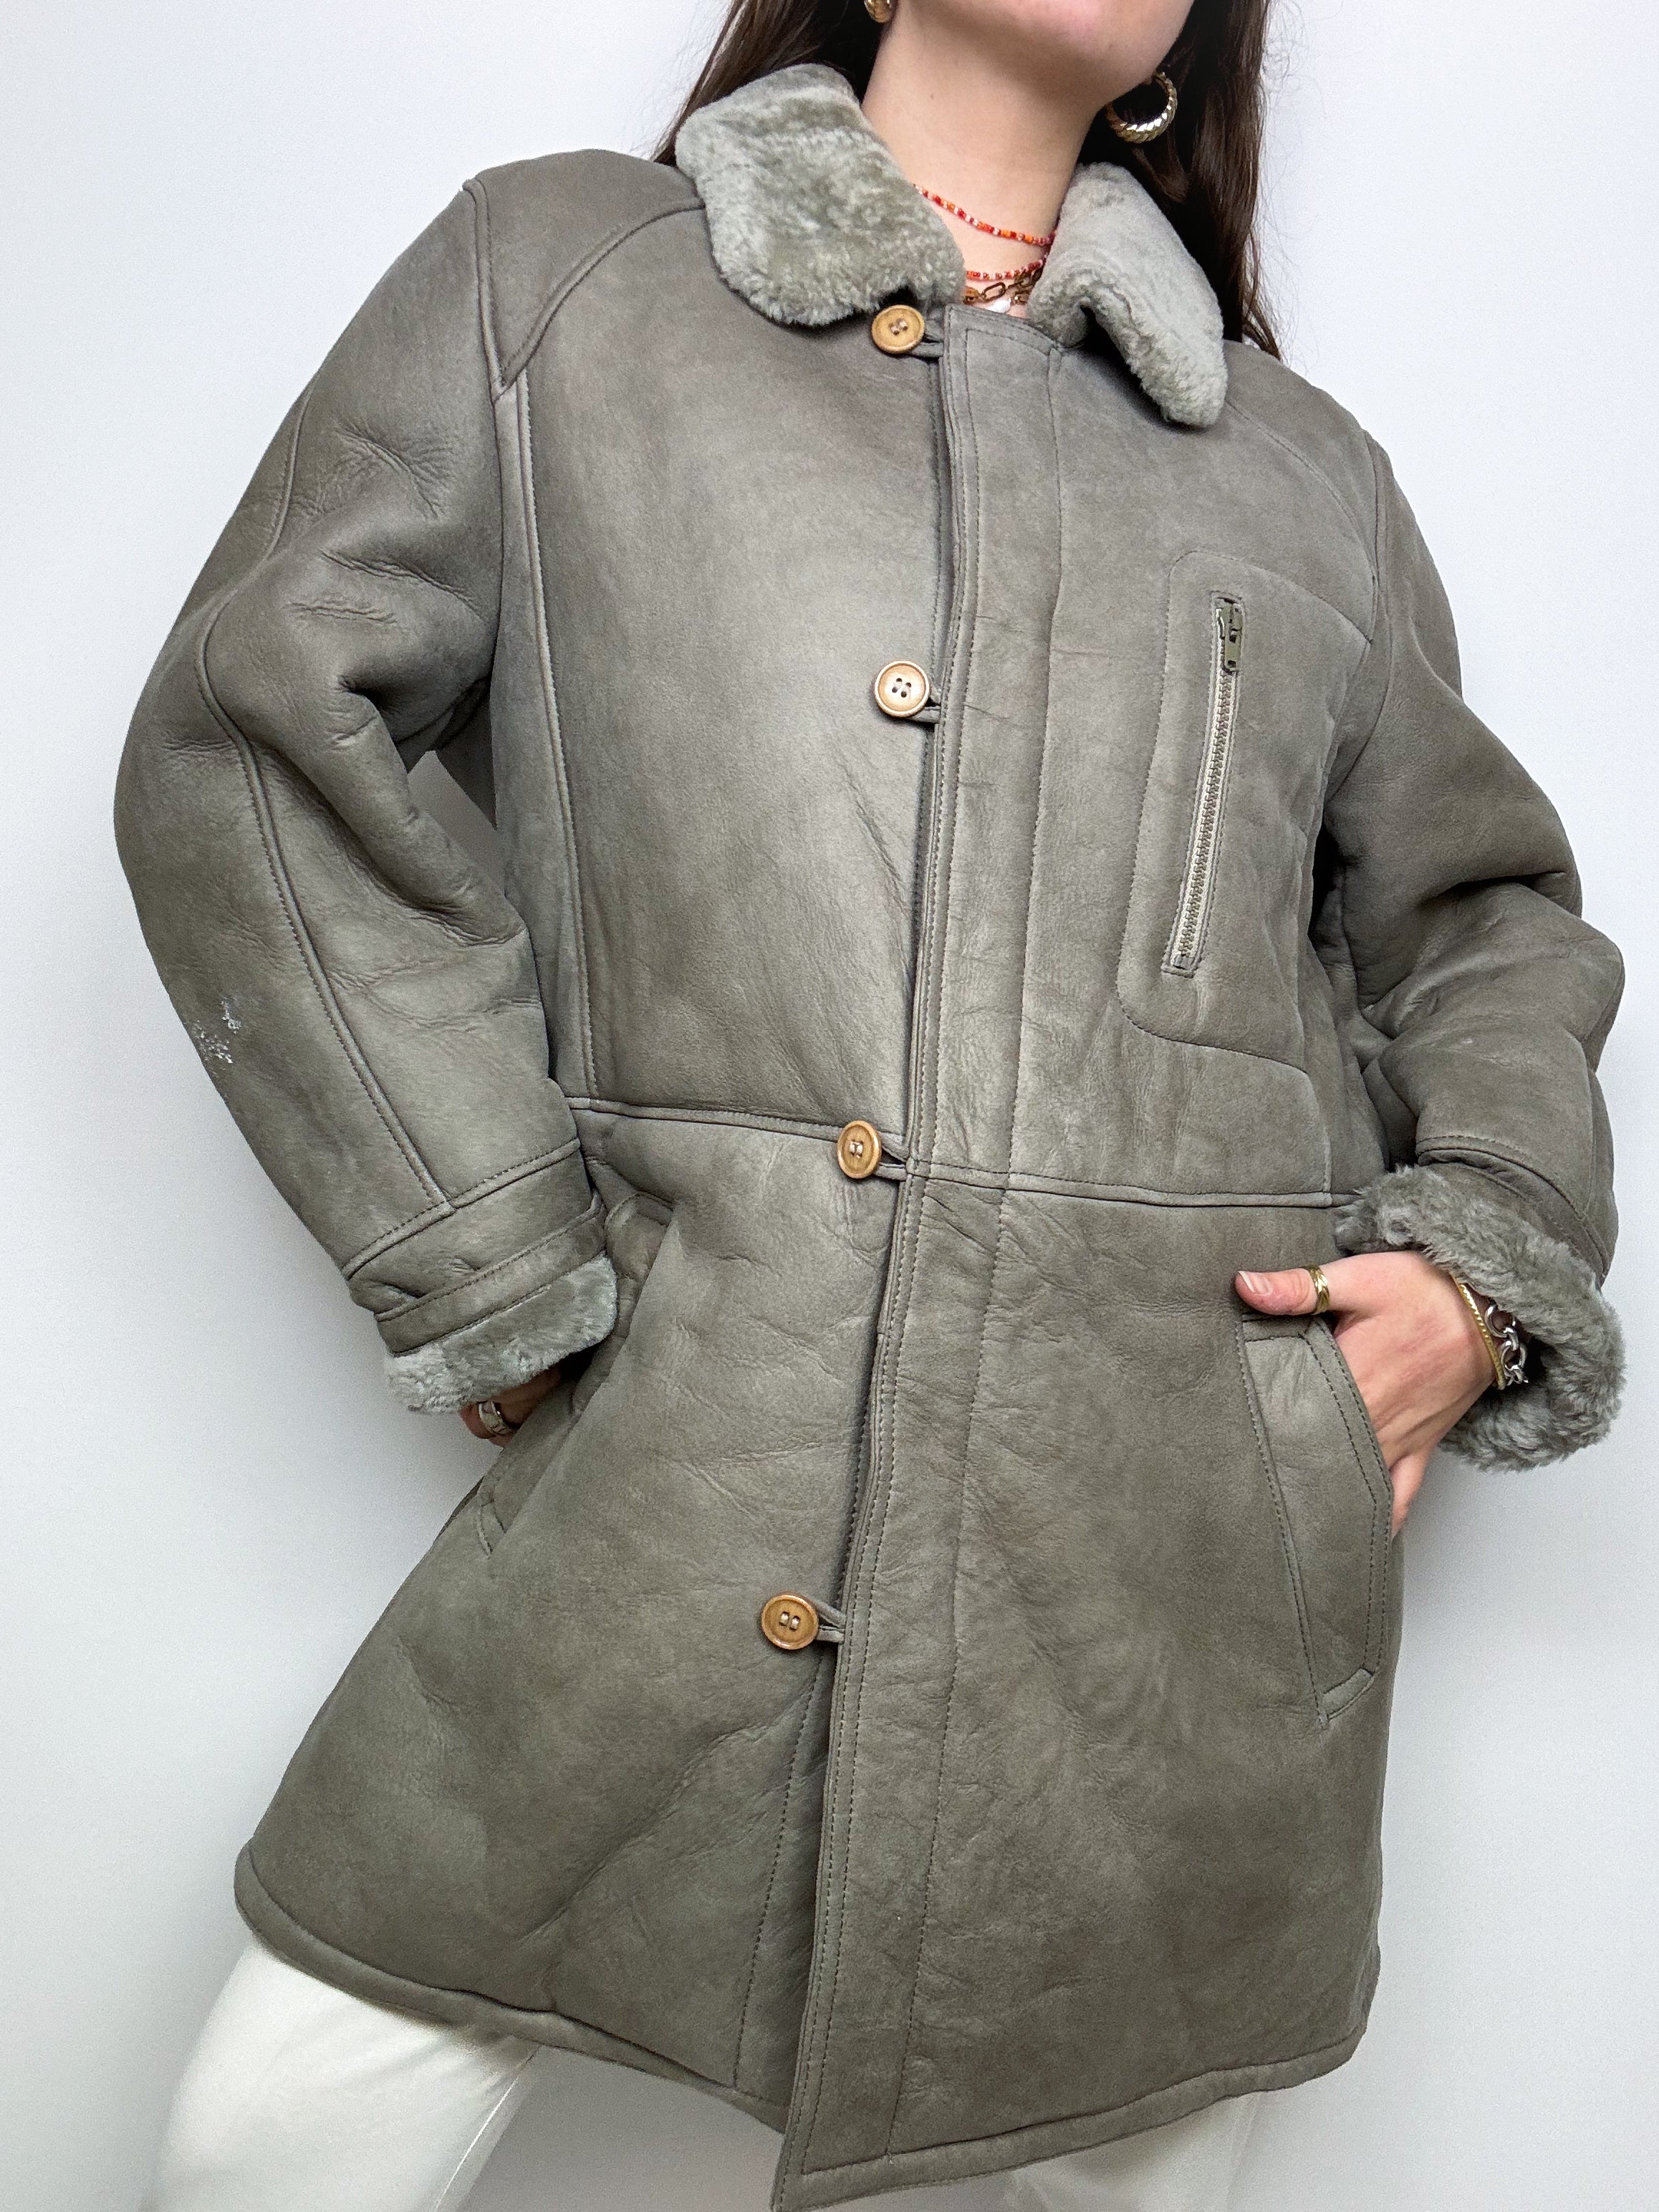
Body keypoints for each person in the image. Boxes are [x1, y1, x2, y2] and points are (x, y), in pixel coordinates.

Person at [117, 1, 1626, 2207]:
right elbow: (258, 738)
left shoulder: (1303, 468)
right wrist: (493, 1251)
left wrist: (1475, 1273)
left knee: (1103, 2160)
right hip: (692, 1446)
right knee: (283, 2126)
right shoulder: (562, 287)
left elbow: (1474, 919)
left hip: (1169, 1558)